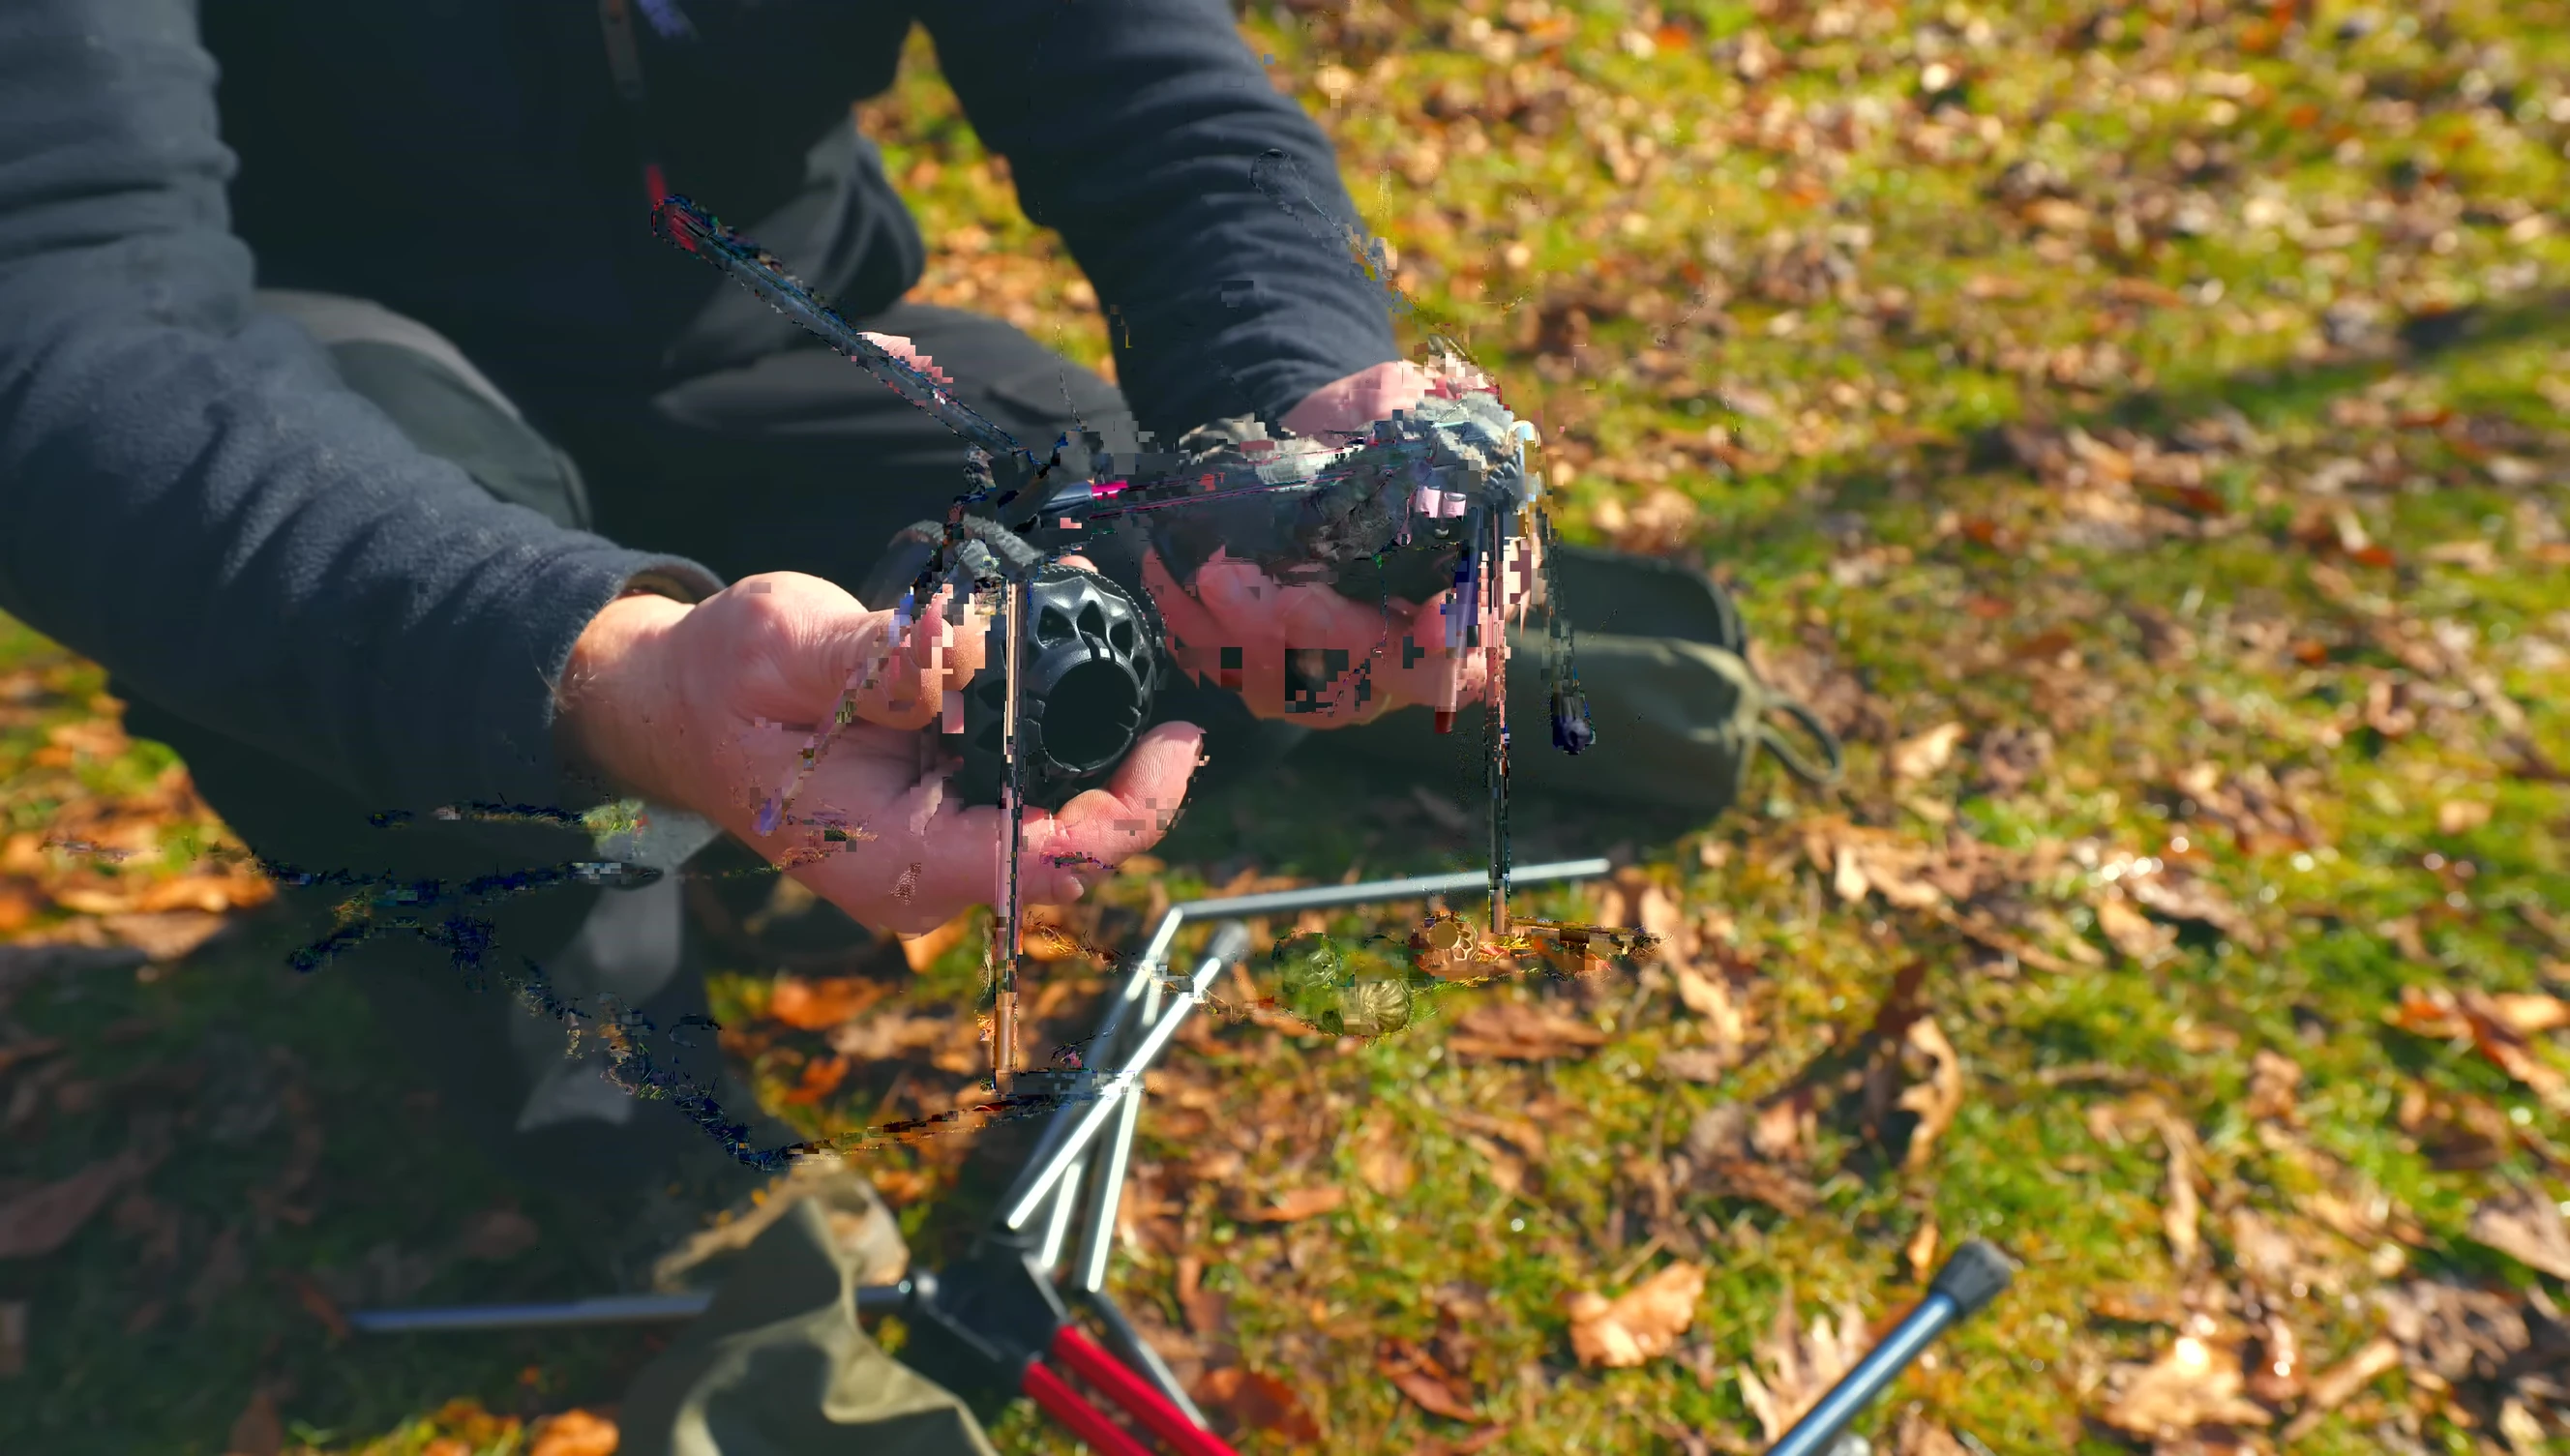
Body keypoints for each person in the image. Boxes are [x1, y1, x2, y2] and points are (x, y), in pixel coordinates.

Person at [0, 0, 1526, 1448]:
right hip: (321, 406)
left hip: (742, 349)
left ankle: (769, 871)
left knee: (1128, 559)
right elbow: (69, 313)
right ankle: (632, 1121)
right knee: (410, 683)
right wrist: (600, 672)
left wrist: (1285, 422)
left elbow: (1145, 85)